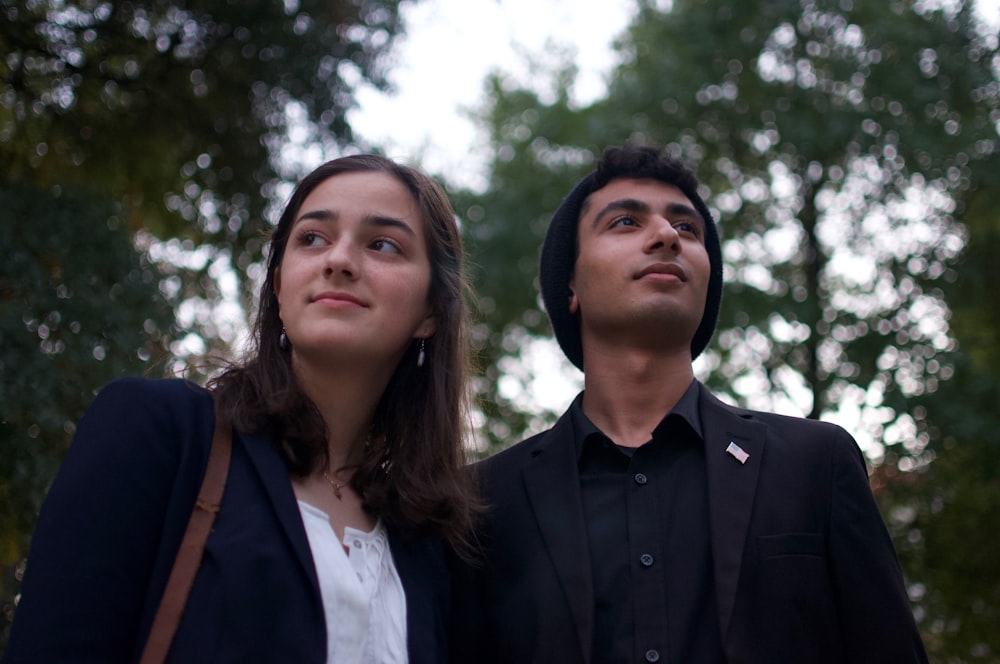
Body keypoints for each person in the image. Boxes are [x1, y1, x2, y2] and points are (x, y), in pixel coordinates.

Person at [450, 145, 928, 664]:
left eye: (688, 228)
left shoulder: (817, 463)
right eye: (626, 222)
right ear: (570, 285)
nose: (666, 236)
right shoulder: (482, 500)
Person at [4, 154, 478, 664]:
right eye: (312, 238)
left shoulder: (428, 542)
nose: (337, 260)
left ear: (431, 311)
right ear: (279, 287)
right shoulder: (160, 432)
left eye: (383, 244)